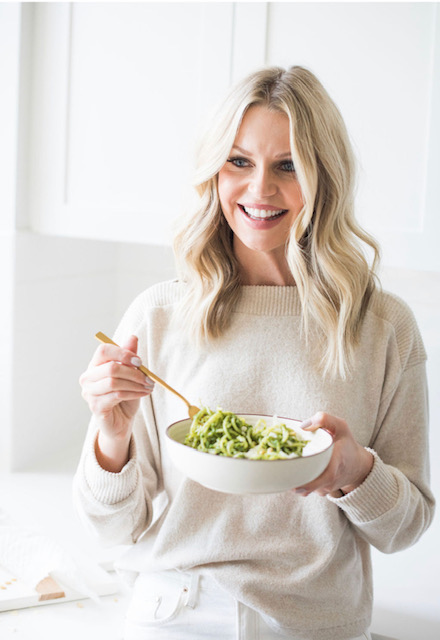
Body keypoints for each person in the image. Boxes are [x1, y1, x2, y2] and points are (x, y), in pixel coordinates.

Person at [74, 66, 435, 640]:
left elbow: (405, 527)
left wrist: (351, 471)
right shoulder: (159, 314)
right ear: (215, 172)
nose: (259, 190)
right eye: (238, 161)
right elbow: (112, 528)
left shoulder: (384, 326)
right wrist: (110, 437)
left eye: (287, 166)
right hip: (176, 609)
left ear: (324, 178)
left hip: (315, 624)